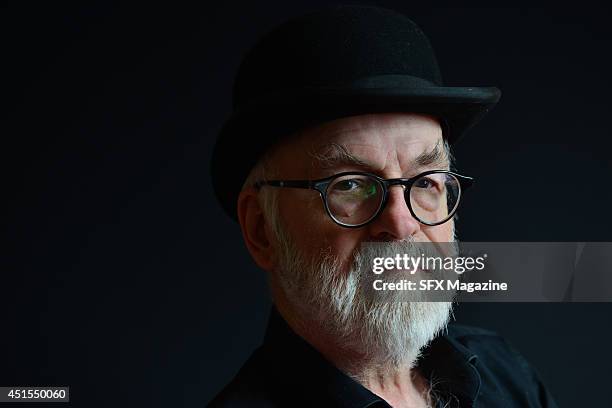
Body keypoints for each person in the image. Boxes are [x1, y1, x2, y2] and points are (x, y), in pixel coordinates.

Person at [209, 5, 557, 407]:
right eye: (351, 185)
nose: (401, 222)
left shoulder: (506, 375)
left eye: (424, 181)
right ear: (261, 229)